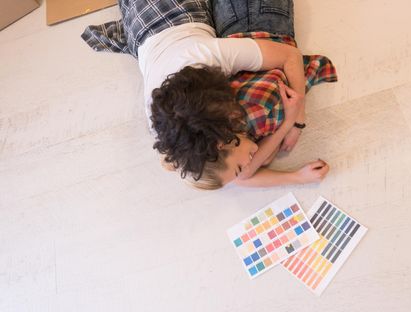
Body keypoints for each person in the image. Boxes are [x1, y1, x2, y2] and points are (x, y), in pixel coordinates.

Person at [81, 0, 333, 189]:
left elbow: (290, 56)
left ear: (224, 137)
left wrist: (297, 117)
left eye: (239, 166)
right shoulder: (169, 134)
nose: (246, 169)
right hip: (140, 27)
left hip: (180, 10)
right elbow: (240, 178)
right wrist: (295, 177)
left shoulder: (205, 55)